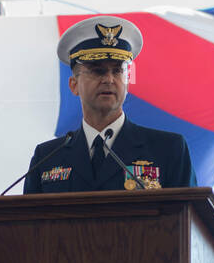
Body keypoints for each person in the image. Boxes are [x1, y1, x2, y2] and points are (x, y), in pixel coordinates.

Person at [24, 15, 197, 193]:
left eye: (117, 71)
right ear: (74, 85)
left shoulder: (168, 149)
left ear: (127, 82)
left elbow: (189, 217)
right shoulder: (46, 159)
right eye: (97, 71)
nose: (109, 79)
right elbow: (28, 220)